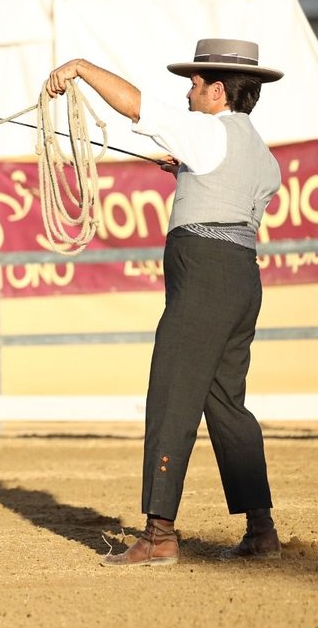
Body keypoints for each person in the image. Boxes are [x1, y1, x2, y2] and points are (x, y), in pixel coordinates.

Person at [44, 39, 283, 567]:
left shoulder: (206, 131)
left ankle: (158, 534)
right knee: (227, 406)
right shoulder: (263, 156)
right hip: (243, 277)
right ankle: (261, 529)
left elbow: (136, 105)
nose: (189, 91)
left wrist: (81, 68)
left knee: (173, 393)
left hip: (204, 277)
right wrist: (189, 171)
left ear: (218, 91)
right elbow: (228, 187)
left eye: (196, 85)